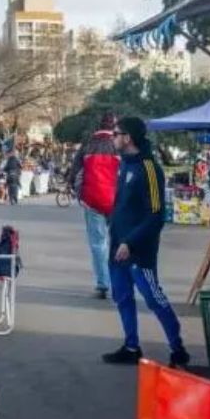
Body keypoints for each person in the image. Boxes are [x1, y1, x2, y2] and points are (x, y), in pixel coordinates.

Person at [105, 117, 190, 367]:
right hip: (116, 246)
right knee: (122, 297)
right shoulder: (124, 166)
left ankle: (178, 348)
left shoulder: (149, 168)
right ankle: (131, 346)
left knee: (153, 298)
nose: (113, 138)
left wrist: (130, 242)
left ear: (128, 138)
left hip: (138, 251)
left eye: (116, 134)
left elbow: (156, 215)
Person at [70, 114, 120, 300]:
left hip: (92, 200)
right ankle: (119, 283)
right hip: (117, 201)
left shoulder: (88, 144)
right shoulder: (119, 144)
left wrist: (79, 195)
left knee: (98, 243)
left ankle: (102, 284)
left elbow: (75, 171)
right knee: (118, 242)